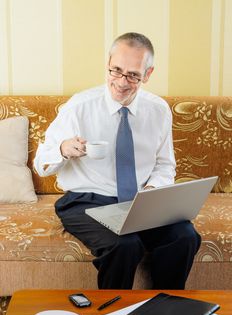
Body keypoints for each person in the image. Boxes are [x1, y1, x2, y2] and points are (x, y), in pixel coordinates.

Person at [34, 32, 201, 289]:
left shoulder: (157, 110)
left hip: (139, 202)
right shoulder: (79, 107)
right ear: (108, 63)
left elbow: (165, 164)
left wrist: (152, 192)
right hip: (85, 200)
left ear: (148, 74)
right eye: (116, 70)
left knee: (185, 236)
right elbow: (41, 164)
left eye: (133, 74)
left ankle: (164, 307)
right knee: (125, 244)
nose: (122, 82)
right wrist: (64, 149)